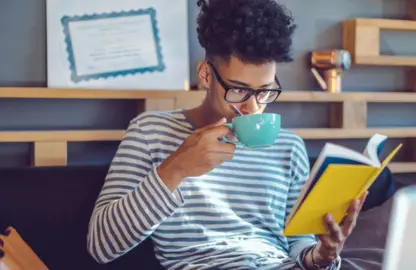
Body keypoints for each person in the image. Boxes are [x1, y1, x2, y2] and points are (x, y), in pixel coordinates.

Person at [86, 0, 367, 269]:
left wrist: (321, 256)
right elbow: (101, 246)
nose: (253, 107)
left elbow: (297, 243)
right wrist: (177, 168)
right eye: (239, 90)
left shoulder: (288, 147)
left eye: (265, 90)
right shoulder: (150, 132)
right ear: (206, 76)